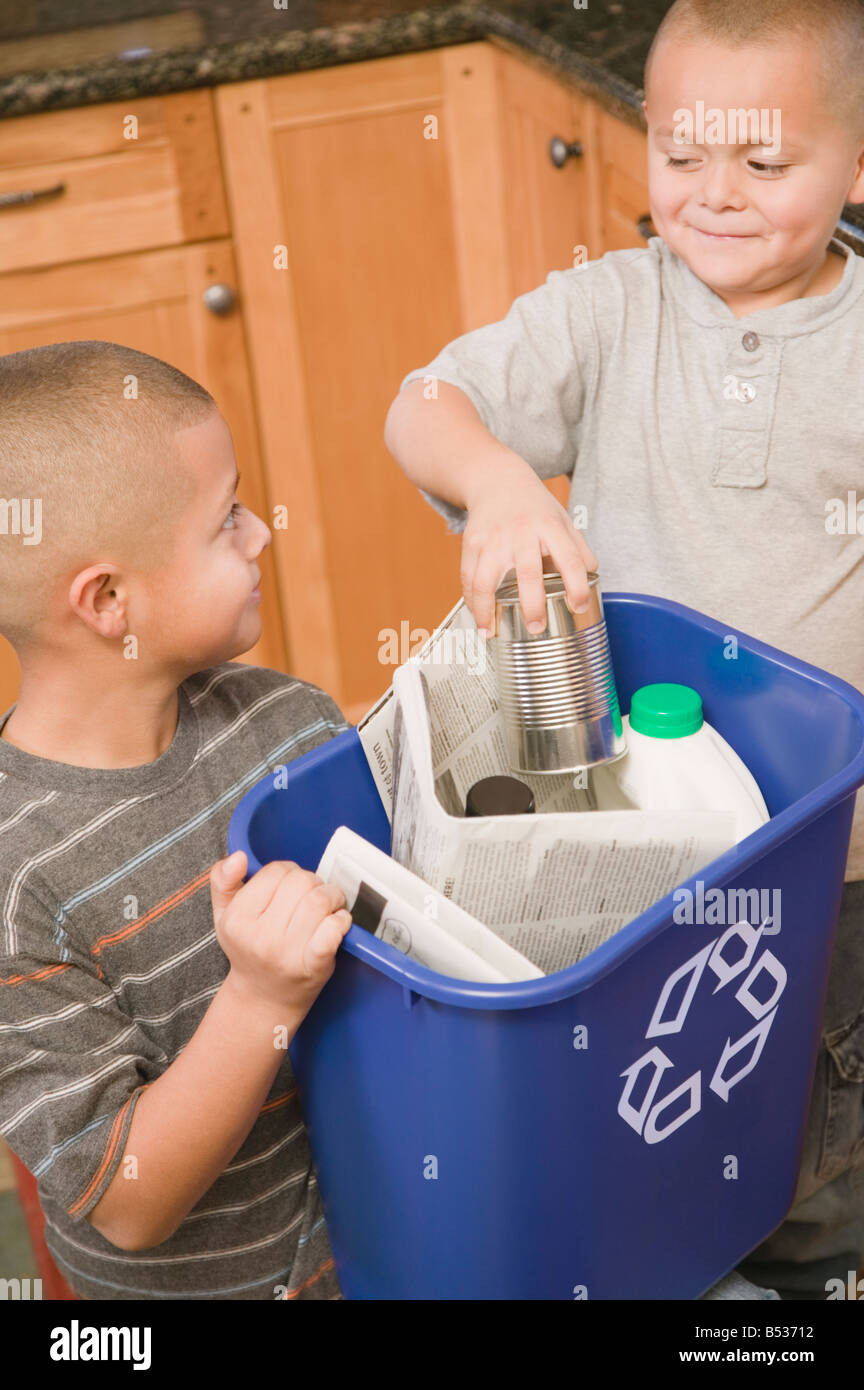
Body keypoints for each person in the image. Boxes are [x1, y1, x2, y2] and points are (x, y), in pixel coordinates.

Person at [385, 0, 864, 1301]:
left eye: (764, 165)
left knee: (810, 1144)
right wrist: (497, 482)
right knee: (641, 1112)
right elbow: (425, 402)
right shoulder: (610, 311)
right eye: (681, 154)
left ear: (857, 165)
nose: (713, 196)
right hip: (627, 846)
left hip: (833, 858)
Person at [0, 340, 353, 1299]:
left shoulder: (291, 721)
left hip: (378, 1248)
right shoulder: (18, 882)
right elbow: (129, 1201)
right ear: (110, 601)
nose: (260, 535)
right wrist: (261, 1001)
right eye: (226, 518)